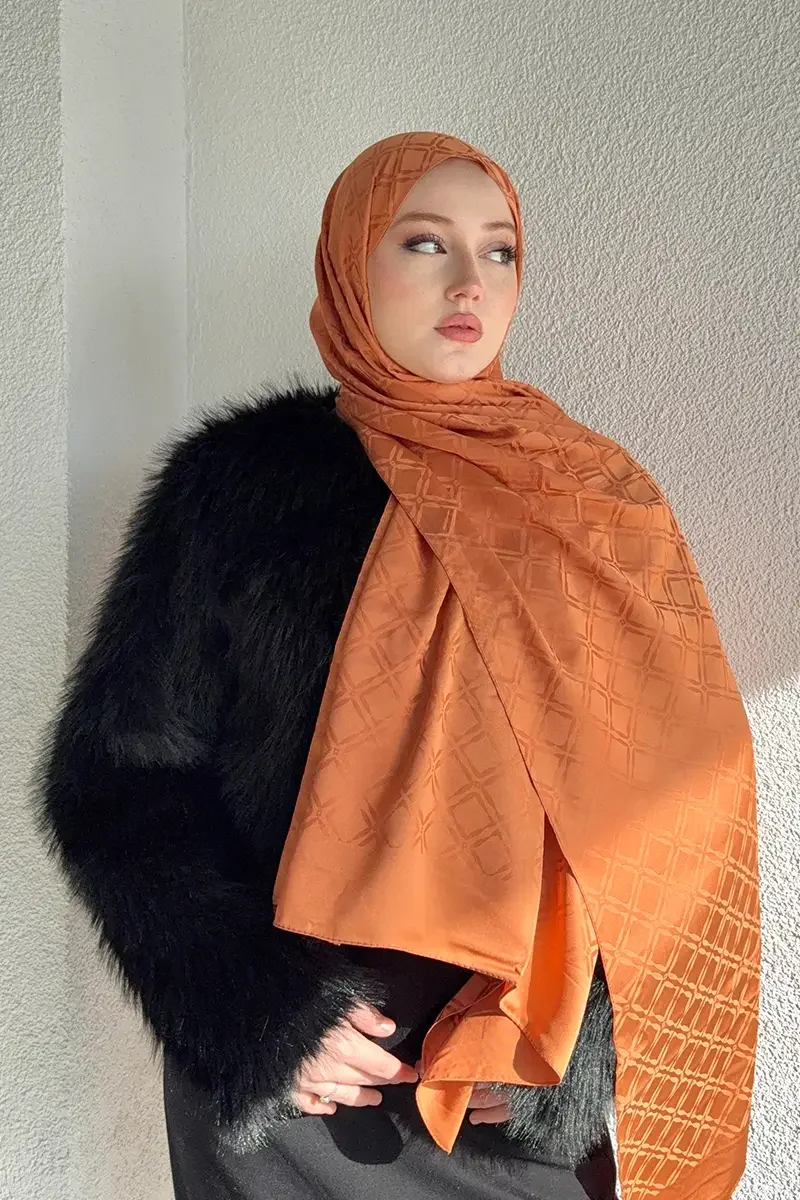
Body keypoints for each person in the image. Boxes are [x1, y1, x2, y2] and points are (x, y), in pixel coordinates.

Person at [35, 132, 759, 1200]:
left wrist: (586, 1029)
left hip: (513, 1068)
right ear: (350, 264)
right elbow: (113, 782)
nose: (470, 282)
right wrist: (253, 1013)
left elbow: (676, 809)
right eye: (424, 243)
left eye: (500, 250)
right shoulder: (240, 489)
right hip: (309, 1067)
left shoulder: (593, 508)